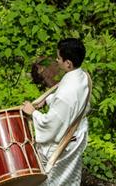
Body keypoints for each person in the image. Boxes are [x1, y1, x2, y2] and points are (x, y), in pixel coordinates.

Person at [22, 38, 90, 186]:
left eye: (59, 57)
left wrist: (32, 112)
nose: (56, 60)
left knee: (50, 180)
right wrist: (48, 99)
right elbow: (73, 104)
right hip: (76, 136)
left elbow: (51, 124)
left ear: (68, 63)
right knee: (68, 179)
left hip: (63, 144)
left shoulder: (66, 94)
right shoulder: (83, 76)